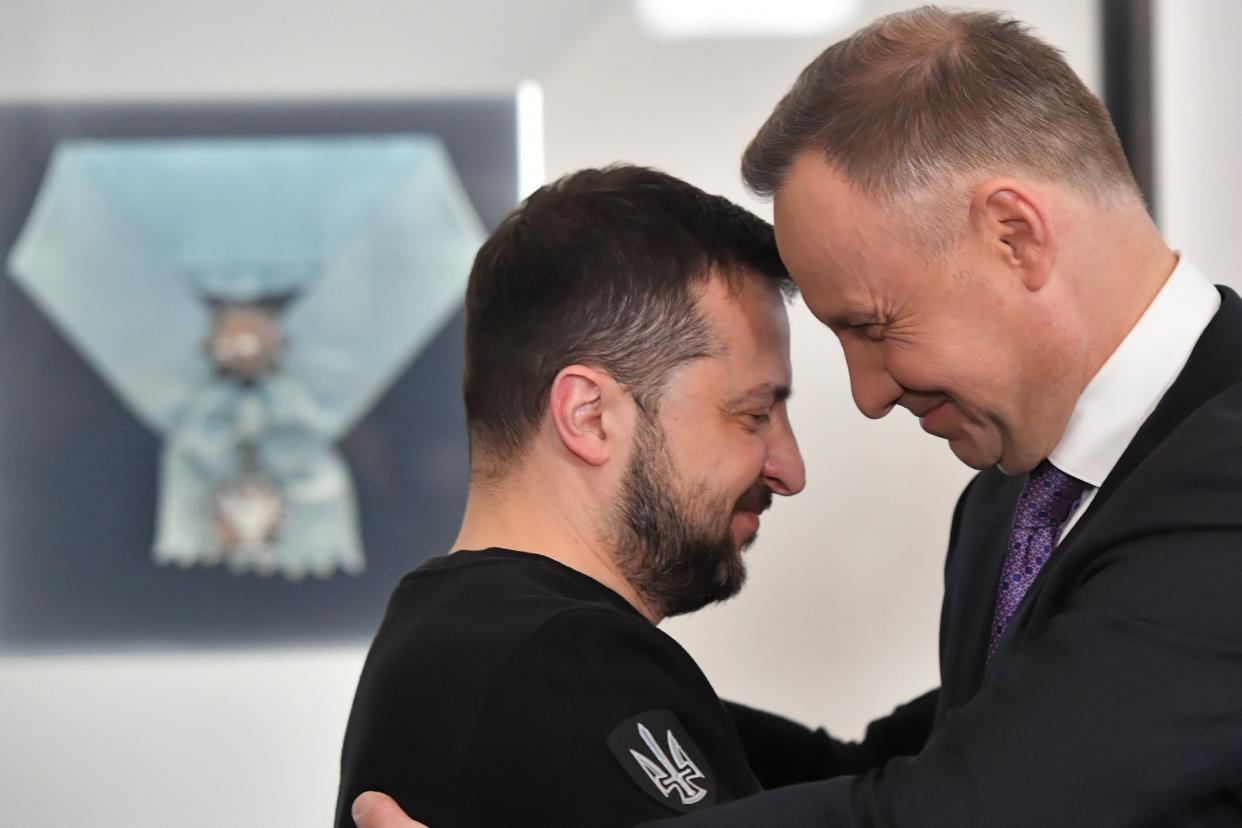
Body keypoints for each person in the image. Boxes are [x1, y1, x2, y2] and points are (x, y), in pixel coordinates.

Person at [353, 6, 1242, 827]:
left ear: (1015, 235)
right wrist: (551, 700)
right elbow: (917, 762)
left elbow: (954, 809)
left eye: (873, 325)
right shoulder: (1005, 508)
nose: (868, 394)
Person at [334, 165, 805, 827]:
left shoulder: (474, 636)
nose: (789, 468)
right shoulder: (561, 663)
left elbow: (871, 771)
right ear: (590, 416)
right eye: (753, 415)